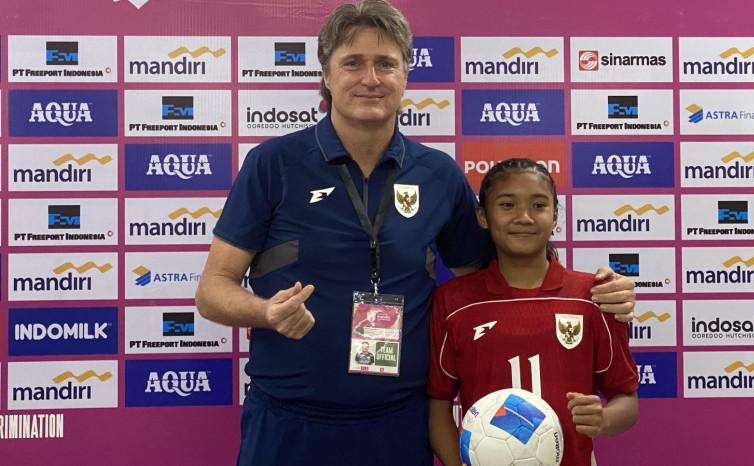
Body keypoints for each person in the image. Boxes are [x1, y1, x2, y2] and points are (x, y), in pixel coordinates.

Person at [194, 2, 636, 465]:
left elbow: (501, 277)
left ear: (406, 74)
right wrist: (266, 312)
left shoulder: (437, 173)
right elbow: (212, 291)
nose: (370, 79)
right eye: (353, 63)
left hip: (400, 422)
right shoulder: (273, 164)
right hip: (288, 420)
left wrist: (594, 291)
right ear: (325, 74)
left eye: (386, 64)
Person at [427, 158, 639, 466]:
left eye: (539, 206)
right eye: (507, 205)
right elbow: (438, 405)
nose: (524, 217)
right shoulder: (454, 302)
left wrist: (603, 419)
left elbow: (627, 401)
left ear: (555, 216)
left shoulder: (593, 297)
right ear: (483, 216)